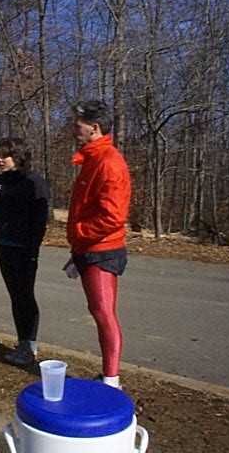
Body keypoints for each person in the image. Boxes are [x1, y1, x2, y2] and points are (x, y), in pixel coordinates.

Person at [64, 100, 131, 389]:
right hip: (87, 249)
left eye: (78, 124)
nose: (73, 128)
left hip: (103, 252)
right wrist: (76, 249)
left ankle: (111, 380)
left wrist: (79, 233)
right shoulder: (91, 159)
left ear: (95, 127)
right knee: (97, 310)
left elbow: (113, 217)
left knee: (104, 312)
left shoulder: (109, 162)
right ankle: (108, 375)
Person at [0, 138, 50, 365]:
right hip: (4, 244)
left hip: (24, 248)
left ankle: (29, 346)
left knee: (25, 295)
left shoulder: (34, 182)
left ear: (18, 156)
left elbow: (41, 219)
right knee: (15, 295)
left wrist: (33, 248)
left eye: (4, 155)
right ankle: (23, 343)